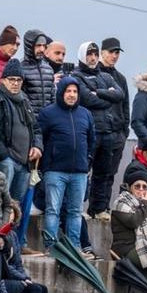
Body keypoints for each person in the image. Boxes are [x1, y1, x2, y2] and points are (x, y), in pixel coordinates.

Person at [38, 77, 95, 249]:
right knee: (53, 210)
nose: (72, 95)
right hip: (55, 171)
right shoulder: (48, 113)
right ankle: (51, 247)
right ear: (61, 92)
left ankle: (74, 248)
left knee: (75, 212)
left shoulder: (86, 114)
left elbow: (92, 141)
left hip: (79, 172)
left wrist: (88, 161)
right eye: (68, 91)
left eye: (75, 91)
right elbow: (40, 138)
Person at [74, 41, 128, 219]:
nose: (93, 58)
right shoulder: (77, 75)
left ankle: (98, 209)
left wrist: (99, 92)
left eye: (95, 54)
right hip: (89, 131)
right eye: (89, 54)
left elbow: (119, 95)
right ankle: (78, 207)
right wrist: (107, 95)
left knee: (104, 173)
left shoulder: (105, 76)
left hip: (108, 131)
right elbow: (87, 99)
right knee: (83, 171)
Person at [0, 61, 42, 223]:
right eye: (11, 79)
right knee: (3, 203)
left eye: (19, 80)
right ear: (3, 80)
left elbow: (36, 128)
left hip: (26, 161)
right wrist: (4, 155)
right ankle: (1, 241)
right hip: (7, 161)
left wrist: (37, 146)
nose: (15, 83)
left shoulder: (24, 101)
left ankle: (14, 243)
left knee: (17, 207)